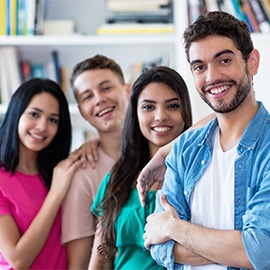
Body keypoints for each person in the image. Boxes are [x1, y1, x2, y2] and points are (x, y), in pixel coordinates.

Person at [139, 11, 270, 270]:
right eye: (200, 66)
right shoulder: (185, 148)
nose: (211, 77)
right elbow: (158, 246)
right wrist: (235, 248)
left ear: (252, 62)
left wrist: (174, 227)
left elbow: (261, 250)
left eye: (224, 60)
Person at [89, 66, 193, 269]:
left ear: (185, 111)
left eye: (172, 106)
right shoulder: (116, 178)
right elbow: (100, 259)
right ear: (134, 113)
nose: (160, 116)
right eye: (148, 107)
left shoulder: (199, 174)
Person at [0, 78, 83, 269]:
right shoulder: (2, 181)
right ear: (16, 113)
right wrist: (55, 194)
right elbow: (18, 260)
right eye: (34, 114)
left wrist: (92, 145)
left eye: (53, 119)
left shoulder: (59, 171)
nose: (42, 126)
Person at [61, 54, 131, 269]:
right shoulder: (82, 174)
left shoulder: (165, 149)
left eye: (106, 88)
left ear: (128, 90)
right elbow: (79, 264)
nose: (99, 99)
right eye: (87, 96)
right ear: (81, 111)